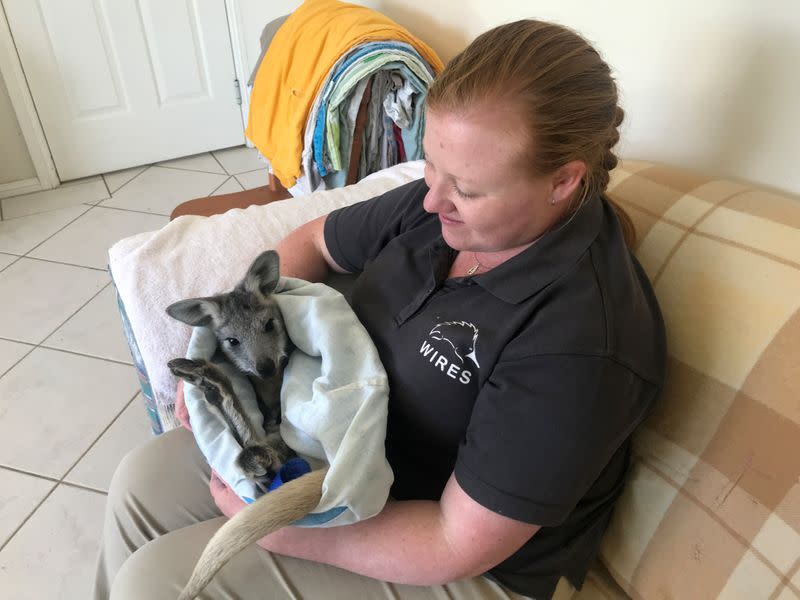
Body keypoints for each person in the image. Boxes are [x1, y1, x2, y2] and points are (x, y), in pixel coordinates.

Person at [95, 19, 666, 600]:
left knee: (154, 584)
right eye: (431, 165)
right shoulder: (441, 212)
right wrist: (234, 358)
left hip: (465, 560)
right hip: (338, 452)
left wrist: (276, 531)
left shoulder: (582, 341)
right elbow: (315, 240)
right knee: (141, 483)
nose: (431, 199)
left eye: (466, 188)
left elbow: (456, 541)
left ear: (562, 181)